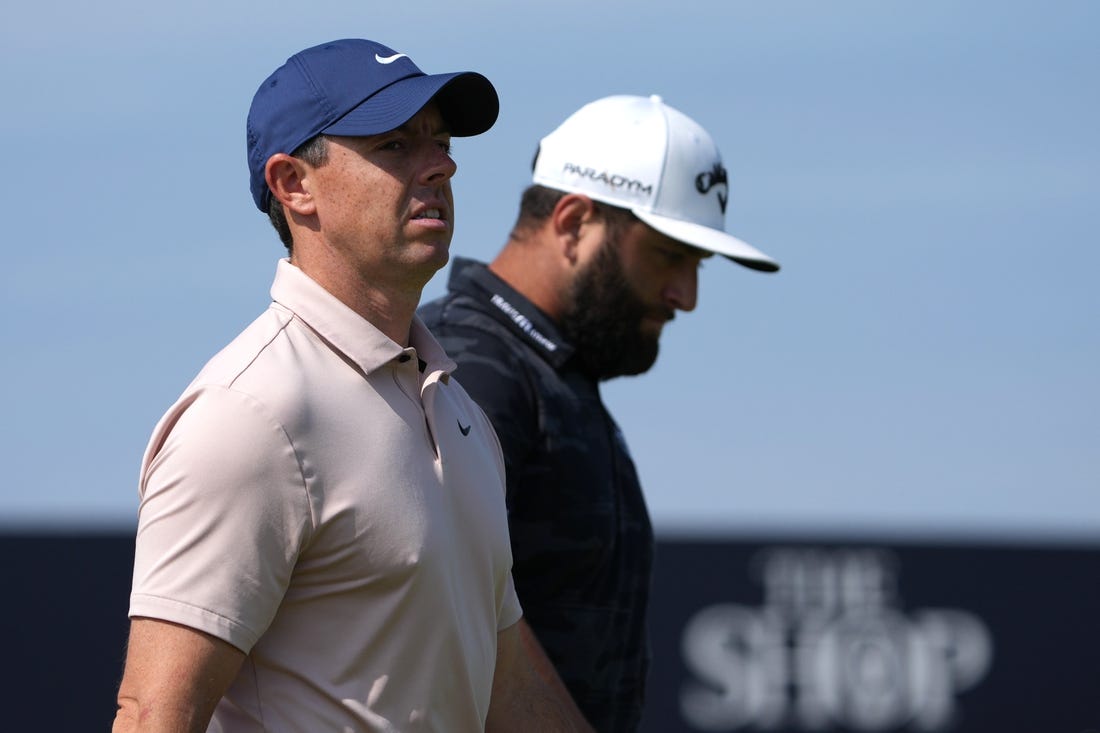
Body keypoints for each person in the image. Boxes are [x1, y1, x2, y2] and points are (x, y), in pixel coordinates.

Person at [112, 38, 591, 732]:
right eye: (396, 145)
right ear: (293, 184)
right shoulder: (249, 414)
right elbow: (156, 712)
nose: (442, 164)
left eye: (442, 140)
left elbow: (509, 690)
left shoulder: (459, 410)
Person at [419, 94, 781, 732]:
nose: (686, 296)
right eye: (669, 254)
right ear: (574, 222)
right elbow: (441, 616)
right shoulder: (469, 365)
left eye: (697, 265)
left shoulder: (548, 373)